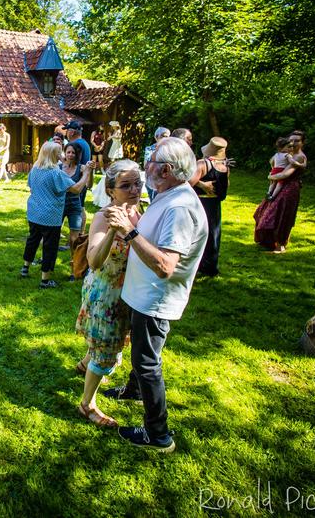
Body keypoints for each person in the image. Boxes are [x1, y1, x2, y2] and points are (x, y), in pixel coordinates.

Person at [102, 136, 207, 452]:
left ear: (165, 169)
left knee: (147, 363)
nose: (145, 166)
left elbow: (165, 265)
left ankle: (158, 435)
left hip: (155, 298)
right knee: (140, 355)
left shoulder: (180, 207)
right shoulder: (167, 193)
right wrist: (136, 222)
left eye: (150, 161)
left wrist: (129, 232)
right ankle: (134, 391)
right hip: (142, 293)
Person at [75, 160, 142, 427]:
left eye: (137, 183)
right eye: (126, 186)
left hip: (129, 292)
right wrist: (114, 229)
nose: (134, 190)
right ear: (111, 190)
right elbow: (93, 260)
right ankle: (87, 404)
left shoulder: (139, 211)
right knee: (107, 350)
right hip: (107, 294)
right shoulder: (105, 217)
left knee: (106, 342)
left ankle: (85, 362)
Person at [21, 141, 93, 288]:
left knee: (32, 240)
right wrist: (86, 174)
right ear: (54, 155)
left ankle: (25, 268)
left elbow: (31, 188)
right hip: (50, 216)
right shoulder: (56, 173)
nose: (62, 155)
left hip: (34, 213)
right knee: (50, 246)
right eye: (59, 152)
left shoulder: (34, 169)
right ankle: (45, 280)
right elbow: (77, 189)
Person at [253, 130, 308, 253]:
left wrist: (270, 177)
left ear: (303, 142)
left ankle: (280, 246)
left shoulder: (299, 156)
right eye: (291, 140)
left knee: (283, 216)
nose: (293, 143)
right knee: (266, 211)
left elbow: (285, 174)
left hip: (289, 189)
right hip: (280, 186)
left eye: (297, 140)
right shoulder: (287, 154)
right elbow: (274, 162)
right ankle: (268, 242)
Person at [189, 137, 230, 277]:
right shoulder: (225, 166)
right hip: (215, 204)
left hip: (201, 203)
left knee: (197, 233)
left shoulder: (202, 164)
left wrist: (201, 184)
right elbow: (226, 186)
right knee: (213, 234)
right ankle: (210, 266)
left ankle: (196, 264)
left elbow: (189, 183)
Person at [59, 143, 89, 259]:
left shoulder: (81, 168)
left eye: (73, 153)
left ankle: (74, 263)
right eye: (68, 152)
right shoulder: (59, 167)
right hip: (60, 204)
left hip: (74, 206)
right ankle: (47, 261)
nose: (70, 155)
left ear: (77, 155)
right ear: (65, 153)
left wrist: (88, 172)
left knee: (74, 238)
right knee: (54, 235)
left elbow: (89, 184)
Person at [64, 121, 92, 229]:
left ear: (71, 132)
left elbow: (74, 164)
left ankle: (79, 237)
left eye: (67, 130)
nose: (66, 132)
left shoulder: (77, 145)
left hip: (77, 182)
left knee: (78, 209)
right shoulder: (84, 143)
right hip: (82, 180)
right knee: (81, 207)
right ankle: (80, 236)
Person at [143, 127, 170, 202]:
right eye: (164, 136)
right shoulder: (150, 149)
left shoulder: (170, 149)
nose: (167, 138)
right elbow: (146, 165)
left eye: (168, 136)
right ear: (156, 137)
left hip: (167, 182)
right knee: (155, 202)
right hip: (153, 181)